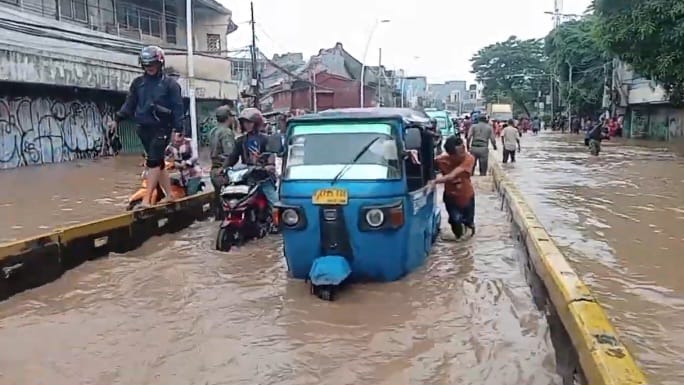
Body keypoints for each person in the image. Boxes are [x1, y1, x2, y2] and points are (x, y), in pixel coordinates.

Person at [109, 45, 184, 207]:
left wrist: (179, 130)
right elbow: (129, 104)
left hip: (162, 128)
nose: (150, 68)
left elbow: (178, 108)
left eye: (153, 64)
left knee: (153, 162)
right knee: (159, 163)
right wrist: (117, 119)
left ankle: (146, 199)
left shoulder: (170, 85)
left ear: (160, 64)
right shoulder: (138, 84)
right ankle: (169, 195)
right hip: (143, 128)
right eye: (147, 65)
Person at [225, 108, 278, 215]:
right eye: (244, 122)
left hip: (264, 177)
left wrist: (269, 166)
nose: (247, 125)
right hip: (247, 178)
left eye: (250, 122)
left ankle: (279, 226)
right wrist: (224, 168)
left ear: (257, 123)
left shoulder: (266, 139)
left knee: (276, 203)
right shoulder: (240, 141)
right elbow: (233, 157)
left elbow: (271, 156)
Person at [430, 135, 476, 239]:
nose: (463, 154)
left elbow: (452, 176)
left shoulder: (469, 159)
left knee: (469, 224)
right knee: (455, 220)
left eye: (464, 149)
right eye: (460, 153)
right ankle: (459, 245)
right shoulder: (441, 160)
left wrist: (433, 182)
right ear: (451, 154)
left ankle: (466, 248)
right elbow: (427, 165)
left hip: (467, 196)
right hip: (450, 196)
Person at [209, 105, 237, 219]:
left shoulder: (213, 131)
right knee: (229, 205)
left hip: (214, 170)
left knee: (218, 203)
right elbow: (230, 154)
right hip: (223, 171)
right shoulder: (226, 132)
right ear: (228, 117)